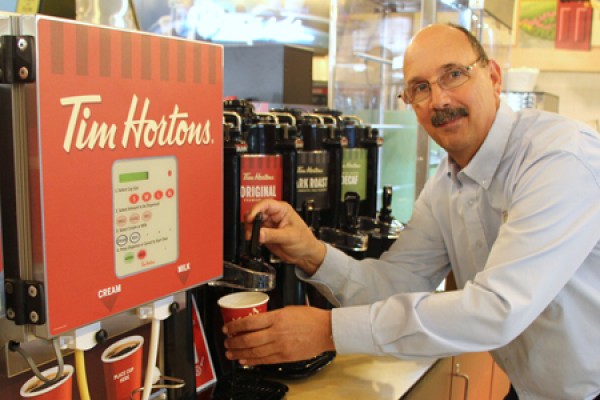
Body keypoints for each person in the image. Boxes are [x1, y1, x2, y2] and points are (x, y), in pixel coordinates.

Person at [222, 23, 600, 400]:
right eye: (420, 88)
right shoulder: (447, 182)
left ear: (494, 76)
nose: (438, 100)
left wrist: (327, 330)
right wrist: (312, 254)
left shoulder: (559, 157)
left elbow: (497, 310)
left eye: (453, 75)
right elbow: (395, 285)